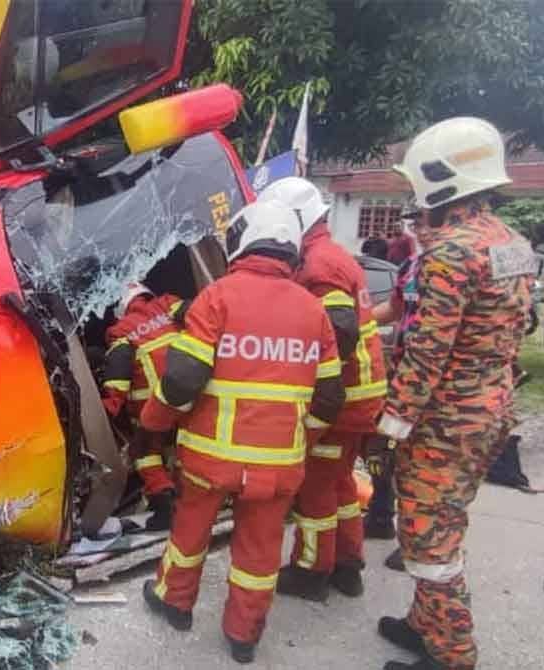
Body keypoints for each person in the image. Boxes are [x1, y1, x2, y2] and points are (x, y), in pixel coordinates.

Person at [138, 201, 345, 664]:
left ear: (242, 241)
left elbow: (181, 380)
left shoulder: (217, 297)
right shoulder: (314, 312)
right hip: (277, 467)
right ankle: (243, 637)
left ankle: (175, 604)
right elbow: (330, 397)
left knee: (190, 532)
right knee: (260, 551)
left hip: (210, 459)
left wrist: (152, 425)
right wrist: (301, 440)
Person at [375, 117, 535, 670]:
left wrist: (393, 419)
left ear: (441, 181)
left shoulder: (450, 253)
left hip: (446, 420)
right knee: (445, 519)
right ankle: (424, 625)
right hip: (489, 410)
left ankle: (453, 654)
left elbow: (428, 349)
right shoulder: (511, 243)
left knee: (425, 536)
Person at [259, 176, 387, 602]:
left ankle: (311, 571)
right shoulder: (334, 255)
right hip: (362, 396)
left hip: (342, 400)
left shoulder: (317, 265)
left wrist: (313, 390)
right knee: (340, 483)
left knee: (314, 486)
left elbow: (339, 332)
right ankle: (348, 565)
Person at [363, 208, 435, 570]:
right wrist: (357, 321)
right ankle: (381, 517)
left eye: (424, 222)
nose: (419, 230)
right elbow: (393, 308)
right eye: (416, 223)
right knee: (386, 450)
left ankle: (420, 548)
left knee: (427, 470)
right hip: (404, 376)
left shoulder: (454, 266)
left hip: (437, 390)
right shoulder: (412, 266)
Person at [101, 282, 186, 530]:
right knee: (194, 444)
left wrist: (111, 405)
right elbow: (199, 316)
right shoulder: (169, 303)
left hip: (155, 408)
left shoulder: (121, 330)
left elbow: (119, 370)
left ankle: (164, 505)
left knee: (145, 452)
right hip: (192, 396)